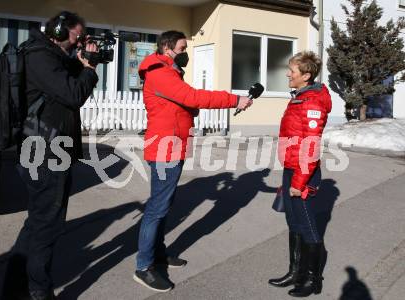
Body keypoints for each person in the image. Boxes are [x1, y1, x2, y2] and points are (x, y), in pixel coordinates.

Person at [134, 30, 253, 292]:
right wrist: (235, 99)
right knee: (157, 208)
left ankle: (158, 254)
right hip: (165, 148)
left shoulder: (169, 72)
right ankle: (144, 266)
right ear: (167, 48)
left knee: (163, 205)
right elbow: (193, 98)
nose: (185, 52)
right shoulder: (160, 72)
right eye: (182, 47)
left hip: (173, 145)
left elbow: (185, 104)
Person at [1, 11, 98, 300]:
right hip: (44, 153)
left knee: (37, 221)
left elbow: (66, 79)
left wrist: (81, 59)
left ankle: (15, 286)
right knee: (47, 226)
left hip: (48, 150)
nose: (79, 41)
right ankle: (38, 290)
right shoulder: (40, 57)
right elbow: (72, 94)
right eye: (76, 35)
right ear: (58, 30)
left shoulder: (50, 55)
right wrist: (89, 69)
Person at [268, 51, 332, 297]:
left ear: (305, 76)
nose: (287, 74)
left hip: (302, 173)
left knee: (307, 226)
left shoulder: (312, 102)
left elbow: (311, 147)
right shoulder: (300, 97)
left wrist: (299, 181)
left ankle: (313, 281)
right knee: (293, 223)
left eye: (292, 71)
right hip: (292, 168)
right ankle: (295, 273)